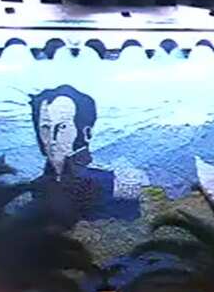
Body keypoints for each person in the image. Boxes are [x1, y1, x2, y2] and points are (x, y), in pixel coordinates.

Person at [28, 84, 137, 223]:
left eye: (62, 127)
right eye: (45, 128)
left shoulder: (116, 184)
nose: (52, 139)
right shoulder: (36, 187)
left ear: (87, 133)